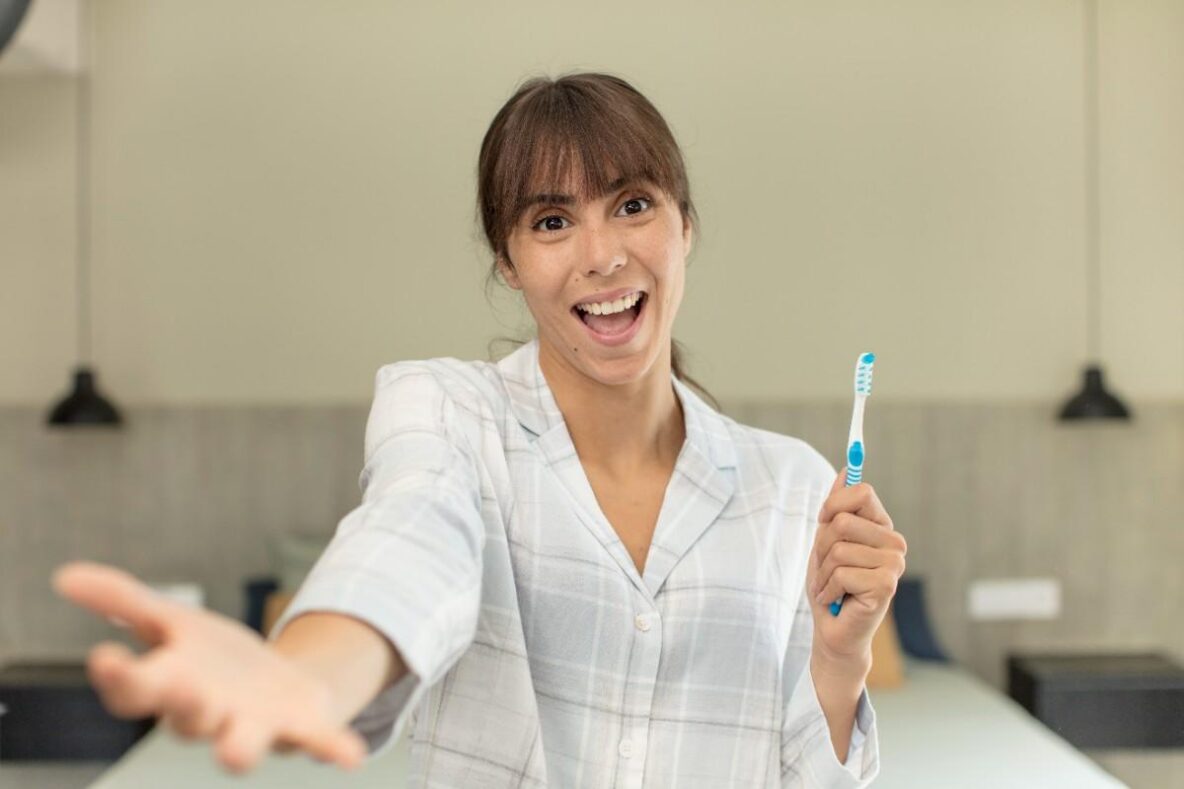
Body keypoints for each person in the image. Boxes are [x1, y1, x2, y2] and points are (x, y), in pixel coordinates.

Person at [53, 72, 906, 787]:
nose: (602, 255)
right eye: (551, 221)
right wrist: (306, 677)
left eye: (634, 204)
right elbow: (412, 541)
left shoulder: (795, 488)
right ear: (508, 260)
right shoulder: (446, 415)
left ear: (685, 225)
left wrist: (841, 658)